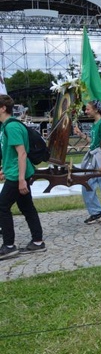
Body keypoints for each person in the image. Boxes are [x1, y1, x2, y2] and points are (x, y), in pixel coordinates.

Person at [0, 95, 45, 260]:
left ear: (3, 108)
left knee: (2, 207)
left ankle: (9, 245)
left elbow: (21, 153)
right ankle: (38, 241)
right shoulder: (6, 126)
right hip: (14, 172)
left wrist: (20, 179)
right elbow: (10, 154)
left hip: (17, 175)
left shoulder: (11, 127)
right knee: (27, 208)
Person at [74, 100, 101, 225]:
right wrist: (82, 135)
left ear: (96, 110)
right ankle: (96, 212)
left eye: (88, 109)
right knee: (87, 184)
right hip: (94, 156)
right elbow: (94, 141)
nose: (86, 111)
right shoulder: (96, 124)